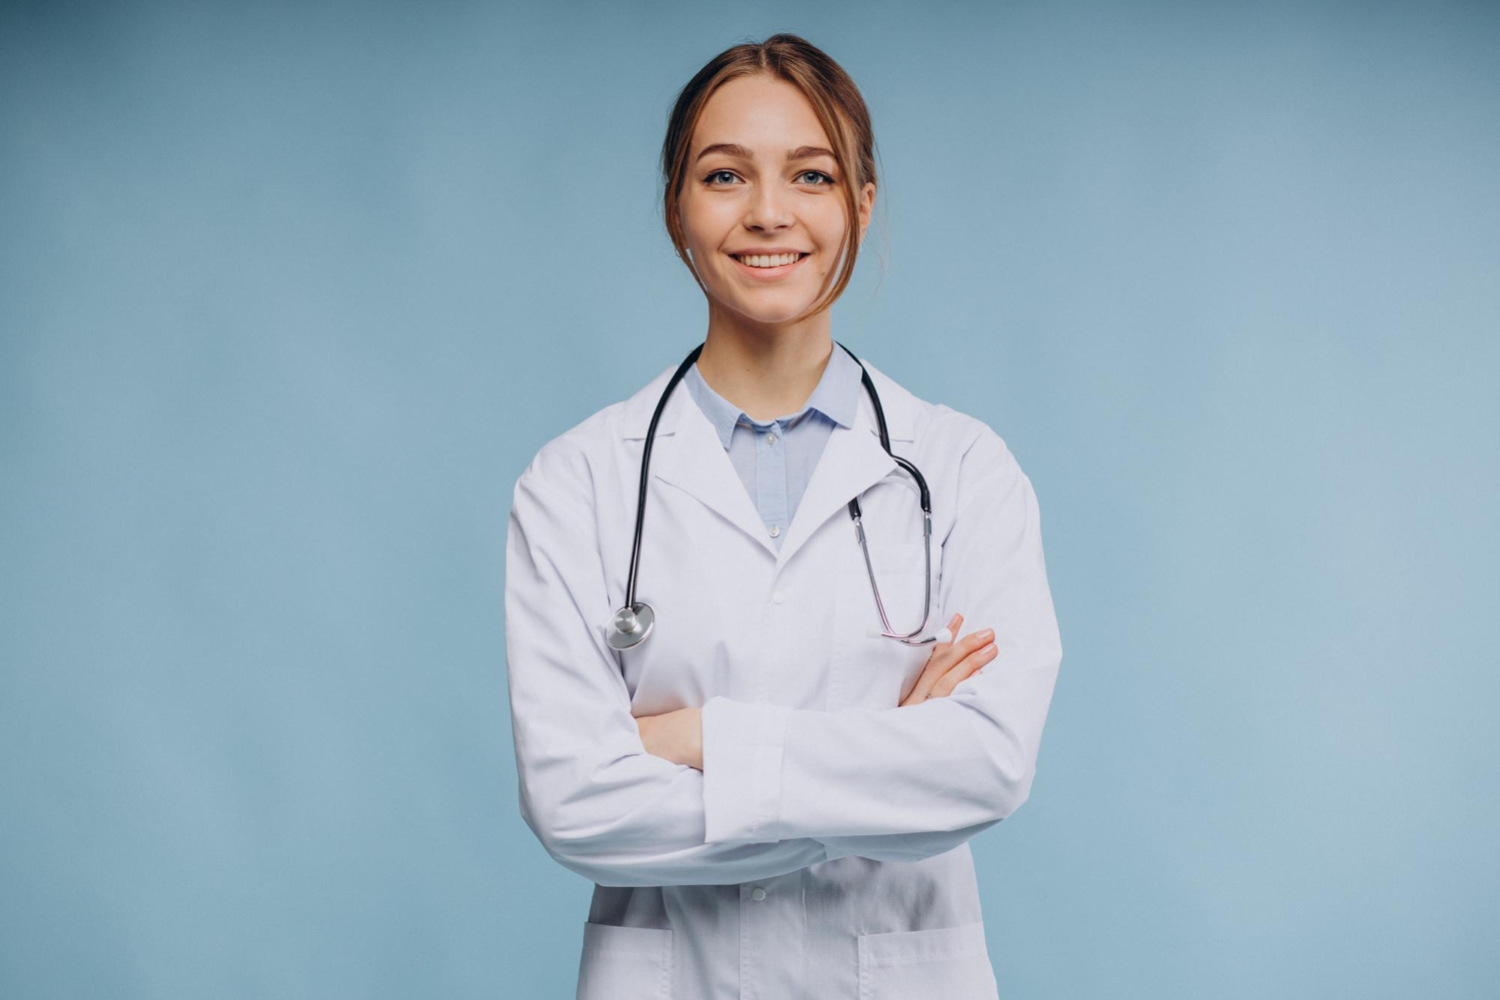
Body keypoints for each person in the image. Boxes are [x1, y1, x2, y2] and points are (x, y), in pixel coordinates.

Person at [504, 33, 1062, 1000]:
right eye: (725, 176)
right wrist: (888, 752)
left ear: (861, 203)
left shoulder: (964, 470)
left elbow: (986, 766)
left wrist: (692, 739)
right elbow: (573, 802)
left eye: (811, 174)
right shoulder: (577, 482)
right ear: (678, 207)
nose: (769, 213)